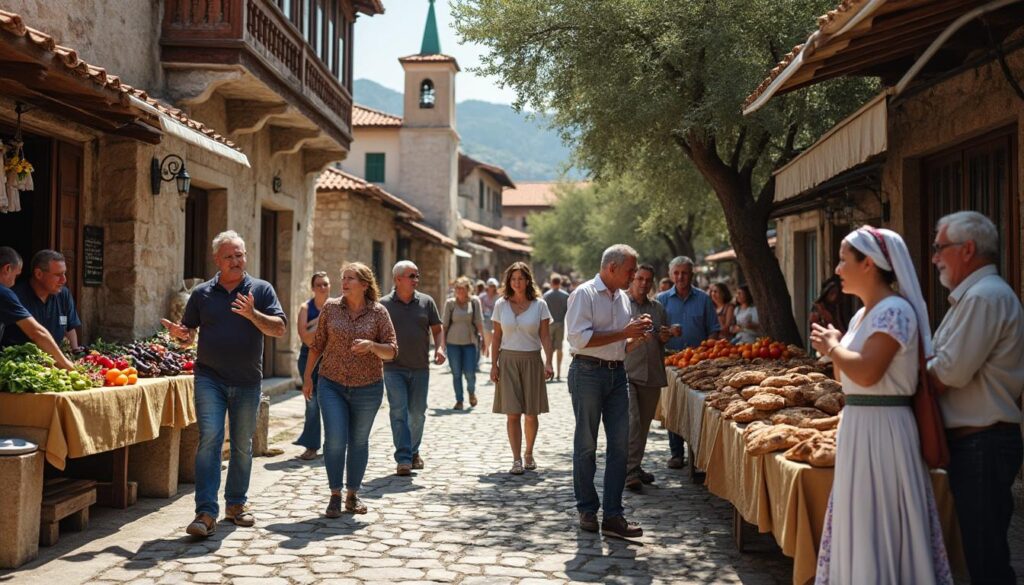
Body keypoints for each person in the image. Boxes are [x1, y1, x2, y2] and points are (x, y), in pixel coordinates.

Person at [809, 226, 951, 584]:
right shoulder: (861, 316)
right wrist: (837, 345)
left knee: (881, 514)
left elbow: (869, 372)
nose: (837, 270)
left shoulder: (895, 311)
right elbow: (847, 379)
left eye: (843, 260)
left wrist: (833, 347)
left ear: (868, 263)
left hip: (884, 430)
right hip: (860, 426)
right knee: (860, 515)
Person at [163, 231, 287, 538]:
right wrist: (182, 336)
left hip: (247, 380)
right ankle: (206, 513)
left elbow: (279, 329)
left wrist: (252, 314)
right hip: (210, 378)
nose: (236, 261)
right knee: (211, 439)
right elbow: (189, 334)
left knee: (243, 445)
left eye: (240, 255)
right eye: (229, 256)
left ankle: (236, 504)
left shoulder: (261, 289)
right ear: (217, 260)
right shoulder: (202, 293)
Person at [927, 211, 1024, 584]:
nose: (935, 257)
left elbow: (949, 372)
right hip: (976, 443)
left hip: (983, 443)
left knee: (985, 561)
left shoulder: (984, 297)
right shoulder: (976, 296)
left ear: (967, 249)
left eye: (940, 247)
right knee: (978, 554)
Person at [566, 244, 651, 539]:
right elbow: (579, 339)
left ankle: (613, 515)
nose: (633, 276)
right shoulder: (584, 294)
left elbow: (620, 346)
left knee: (620, 446)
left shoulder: (622, 299)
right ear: (612, 267)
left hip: (617, 374)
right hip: (587, 373)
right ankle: (587, 509)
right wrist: (624, 333)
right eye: (630, 271)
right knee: (586, 444)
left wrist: (636, 337)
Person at [303, 262, 397, 517]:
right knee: (335, 439)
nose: (344, 282)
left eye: (350, 278)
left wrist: (372, 346)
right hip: (331, 383)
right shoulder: (331, 308)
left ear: (364, 285)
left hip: (368, 388)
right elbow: (317, 344)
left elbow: (392, 350)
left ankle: (352, 495)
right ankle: (335, 494)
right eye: (343, 277)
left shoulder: (379, 312)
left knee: (358, 441)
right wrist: (308, 377)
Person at [380, 260, 444, 476]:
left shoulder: (427, 302)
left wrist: (440, 348)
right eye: (411, 276)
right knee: (398, 411)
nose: (416, 280)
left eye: (417, 276)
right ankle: (404, 458)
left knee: (417, 413)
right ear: (398, 279)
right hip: (392, 368)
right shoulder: (383, 305)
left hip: (420, 368)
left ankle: (413, 450)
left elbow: (437, 329)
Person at [490, 261, 554, 475]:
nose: (516, 283)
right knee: (512, 413)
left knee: (531, 413)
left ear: (528, 281)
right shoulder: (501, 305)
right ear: (509, 281)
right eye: (513, 279)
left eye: (520, 278)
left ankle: (529, 453)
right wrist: (493, 365)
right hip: (508, 361)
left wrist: (549, 361)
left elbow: (545, 336)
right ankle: (516, 459)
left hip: (532, 361)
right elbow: (496, 337)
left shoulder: (540, 305)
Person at [656, 256, 719, 468]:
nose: (680, 277)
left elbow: (714, 330)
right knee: (674, 407)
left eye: (684, 273)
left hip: (699, 364)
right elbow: (654, 331)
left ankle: (697, 454)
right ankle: (676, 454)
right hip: (671, 362)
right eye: (676, 273)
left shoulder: (704, 299)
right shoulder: (661, 300)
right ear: (670, 274)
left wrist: (708, 350)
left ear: (692, 274)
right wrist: (667, 332)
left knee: (697, 408)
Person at [623, 263, 671, 492]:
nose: (643, 284)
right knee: (632, 422)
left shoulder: (658, 308)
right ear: (632, 279)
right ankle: (629, 473)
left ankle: (635, 466)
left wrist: (664, 336)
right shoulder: (621, 304)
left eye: (648, 280)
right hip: (626, 372)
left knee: (643, 426)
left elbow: (661, 337)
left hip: (651, 373)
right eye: (640, 279)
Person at [0, 247, 73, 369]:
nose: (13, 283)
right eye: (16, 275)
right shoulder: (6, 293)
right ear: (7, 268)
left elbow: (70, 327)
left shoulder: (63, 295)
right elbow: (36, 332)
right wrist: (68, 366)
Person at [293, 271, 330, 461]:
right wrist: (324, 326)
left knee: (332, 402)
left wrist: (314, 327)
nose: (322, 288)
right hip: (308, 358)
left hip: (331, 359)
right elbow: (305, 338)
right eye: (319, 285)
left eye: (325, 284)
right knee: (312, 402)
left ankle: (333, 445)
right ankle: (312, 446)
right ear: (312, 288)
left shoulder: (336, 306)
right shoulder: (305, 307)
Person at [443, 276, 484, 410]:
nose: (459, 291)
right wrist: (442, 344)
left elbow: (479, 322)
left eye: (462, 288)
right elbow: (445, 326)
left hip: (470, 343)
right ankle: (459, 400)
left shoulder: (474, 302)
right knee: (456, 373)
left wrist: (483, 340)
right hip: (452, 343)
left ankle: (471, 392)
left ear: (468, 289)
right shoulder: (450, 303)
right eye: (457, 288)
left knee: (470, 372)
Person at [542, 273, 571, 380]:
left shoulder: (546, 295)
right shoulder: (565, 295)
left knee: (549, 348)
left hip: (549, 324)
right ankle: (559, 373)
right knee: (559, 348)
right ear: (560, 282)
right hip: (560, 323)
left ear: (551, 282)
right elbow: (568, 311)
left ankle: (550, 369)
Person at [479, 277, 499, 364]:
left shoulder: (498, 297)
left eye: (493, 286)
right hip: (485, 320)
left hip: (496, 320)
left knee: (494, 337)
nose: (491, 288)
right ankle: (486, 351)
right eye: (490, 286)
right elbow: (480, 308)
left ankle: (489, 352)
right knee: (487, 336)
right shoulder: (482, 296)